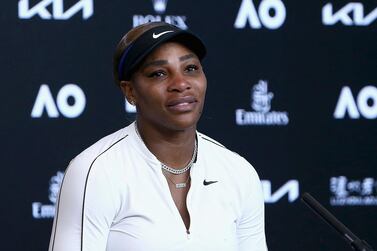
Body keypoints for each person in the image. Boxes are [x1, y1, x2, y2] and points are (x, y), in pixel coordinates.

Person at [48, 21, 268, 251]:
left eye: (191, 68)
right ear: (130, 91)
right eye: (159, 73)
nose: (181, 84)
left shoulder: (238, 172)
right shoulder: (95, 171)